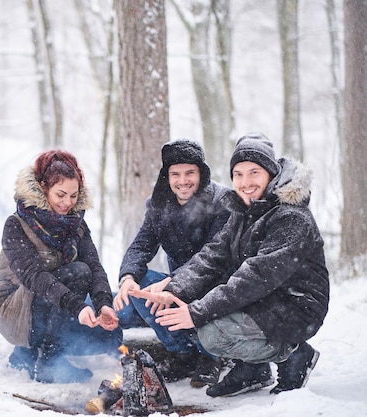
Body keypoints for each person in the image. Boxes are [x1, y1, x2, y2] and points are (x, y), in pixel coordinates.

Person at [131, 133, 330, 397]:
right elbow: (213, 255)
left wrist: (197, 311)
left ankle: (294, 354)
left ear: (271, 174)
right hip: (266, 299)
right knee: (209, 316)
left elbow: (255, 277)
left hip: (296, 305)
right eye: (238, 174)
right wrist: (174, 287)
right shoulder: (246, 211)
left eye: (253, 173)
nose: (245, 183)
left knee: (212, 333)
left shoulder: (290, 218)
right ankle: (253, 370)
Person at [0, 150, 122, 384]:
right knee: (78, 272)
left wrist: (103, 305)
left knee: (110, 336)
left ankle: (29, 354)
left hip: (54, 298)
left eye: (73, 195)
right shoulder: (17, 224)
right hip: (13, 305)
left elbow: (95, 267)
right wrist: (77, 306)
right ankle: (50, 360)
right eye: (60, 194)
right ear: (43, 187)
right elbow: (34, 276)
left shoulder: (76, 224)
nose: (67, 203)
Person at [114, 139, 231, 387]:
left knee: (201, 290)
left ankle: (212, 356)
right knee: (141, 284)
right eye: (175, 174)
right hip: (175, 286)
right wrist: (128, 278)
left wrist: (172, 281)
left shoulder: (222, 202)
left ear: (202, 173)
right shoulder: (159, 205)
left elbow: (215, 258)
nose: (183, 180)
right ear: (166, 176)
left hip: (214, 284)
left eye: (190, 173)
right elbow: (141, 245)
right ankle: (183, 353)